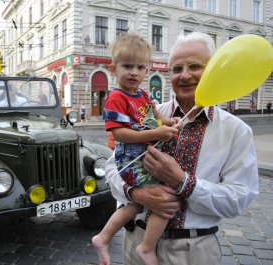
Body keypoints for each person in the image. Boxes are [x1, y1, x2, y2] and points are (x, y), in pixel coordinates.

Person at [106, 32, 259, 265]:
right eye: (177, 69)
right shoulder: (150, 113)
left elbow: (238, 198)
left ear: (212, 71)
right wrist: (136, 193)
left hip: (193, 251)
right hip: (136, 243)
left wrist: (184, 182)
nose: (185, 75)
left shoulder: (236, 130)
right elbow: (113, 168)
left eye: (195, 66)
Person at [92, 33, 181, 265]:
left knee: (134, 205)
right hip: (131, 159)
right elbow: (118, 134)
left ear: (147, 70)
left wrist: (167, 122)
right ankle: (147, 248)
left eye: (140, 67)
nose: (134, 72)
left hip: (144, 155)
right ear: (113, 68)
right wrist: (155, 134)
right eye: (127, 66)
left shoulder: (143, 94)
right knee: (164, 199)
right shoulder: (115, 97)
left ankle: (103, 237)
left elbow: (157, 116)